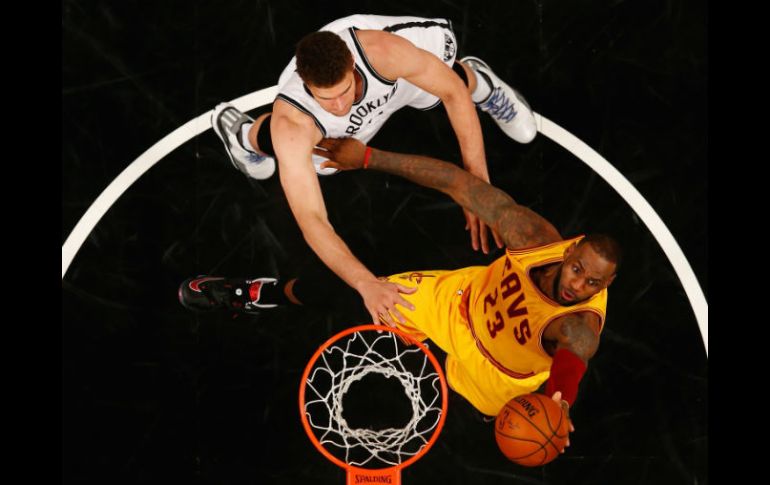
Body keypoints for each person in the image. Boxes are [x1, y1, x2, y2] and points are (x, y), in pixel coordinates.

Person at [179, 138, 621, 440]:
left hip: (499, 376)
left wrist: (559, 406)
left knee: (488, 431)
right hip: (452, 304)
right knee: (354, 291)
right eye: (578, 269)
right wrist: (368, 157)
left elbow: (570, 367)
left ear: (606, 286)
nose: (578, 285)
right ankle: (260, 294)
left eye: (593, 283)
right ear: (568, 253)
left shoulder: (579, 326)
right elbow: (455, 181)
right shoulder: (531, 236)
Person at [210, 14, 537, 328]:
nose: (339, 105)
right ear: (308, 85)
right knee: (295, 151)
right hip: (332, 133)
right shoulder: (294, 120)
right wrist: (365, 283)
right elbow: (312, 220)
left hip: (393, 80)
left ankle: (483, 84)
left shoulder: (384, 51)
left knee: (445, 71)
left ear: (352, 65)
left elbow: (451, 92)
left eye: (342, 91)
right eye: (327, 98)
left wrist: (477, 187)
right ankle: (243, 136)